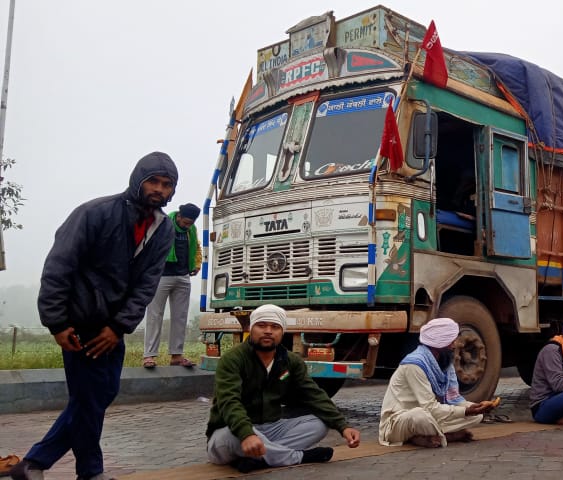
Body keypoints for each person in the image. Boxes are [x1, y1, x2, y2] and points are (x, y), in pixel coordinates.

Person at [10, 152, 179, 480]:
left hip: (111, 329)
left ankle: (32, 464)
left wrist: (119, 326)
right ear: (138, 181)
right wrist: (57, 323)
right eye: (153, 182)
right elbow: (59, 267)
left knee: (98, 396)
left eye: (167, 184)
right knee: (90, 399)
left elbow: (147, 284)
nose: (159, 189)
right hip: (78, 324)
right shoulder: (95, 213)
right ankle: (87, 472)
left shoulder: (164, 228)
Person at [206, 305, 361, 473]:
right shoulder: (232, 359)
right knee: (230, 435)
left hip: (271, 429)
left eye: (275, 327)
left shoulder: (291, 361)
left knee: (320, 424)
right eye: (262, 325)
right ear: (251, 328)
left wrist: (343, 426)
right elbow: (229, 402)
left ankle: (260, 458)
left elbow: (314, 394)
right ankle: (297, 457)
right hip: (230, 433)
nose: (268, 331)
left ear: (282, 332)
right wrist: (247, 434)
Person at [379, 318, 494, 447]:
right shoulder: (414, 364)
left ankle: (426, 435)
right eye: (451, 340)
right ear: (439, 342)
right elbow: (430, 408)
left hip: (430, 415)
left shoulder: (445, 362)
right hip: (399, 421)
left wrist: (477, 407)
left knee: (477, 416)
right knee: (420, 415)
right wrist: (465, 411)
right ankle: (445, 435)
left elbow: (454, 399)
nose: (454, 345)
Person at [143, 202, 202, 369]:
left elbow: (196, 247)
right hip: (161, 276)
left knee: (180, 317)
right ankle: (149, 356)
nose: (187, 225)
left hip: (183, 276)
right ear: (179, 216)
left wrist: (197, 264)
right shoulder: (163, 224)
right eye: (185, 222)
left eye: (190, 223)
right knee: (155, 316)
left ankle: (176, 355)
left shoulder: (191, 230)